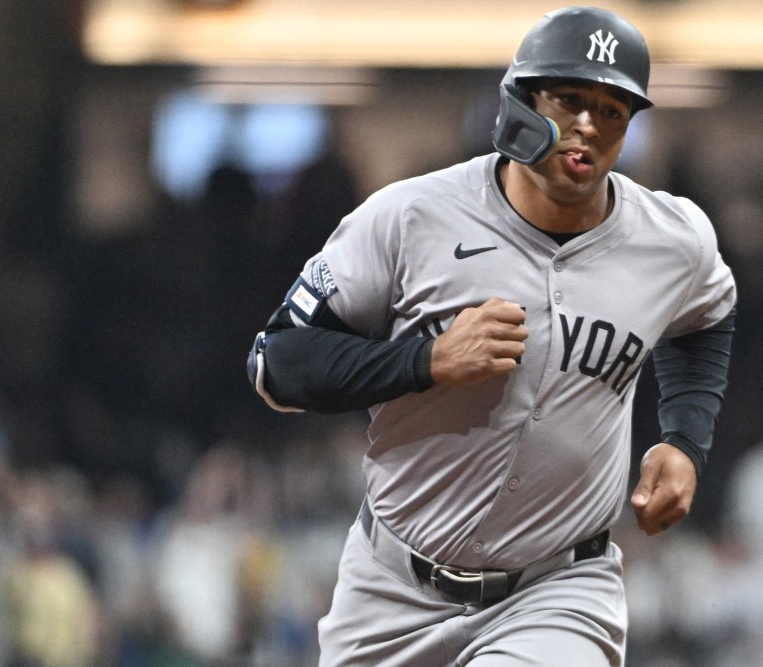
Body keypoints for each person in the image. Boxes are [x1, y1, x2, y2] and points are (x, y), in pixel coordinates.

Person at [247, 6, 737, 665]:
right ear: (521, 102)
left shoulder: (671, 239)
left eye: (613, 109)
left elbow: (707, 316)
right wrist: (425, 359)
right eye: (568, 98)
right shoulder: (410, 216)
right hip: (394, 585)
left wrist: (683, 438)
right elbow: (277, 361)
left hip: (558, 587)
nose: (588, 123)